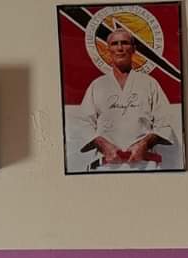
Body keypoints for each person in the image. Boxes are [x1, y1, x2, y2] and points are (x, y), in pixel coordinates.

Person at [72, 26, 176, 171]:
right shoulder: (98, 85)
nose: (120, 48)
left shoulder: (149, 83)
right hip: (106, 165)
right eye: (115, 44)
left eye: (125, 43)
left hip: (145, 165)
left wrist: (145, 143)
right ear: (108, 50)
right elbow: (83, 123)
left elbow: (165, 123)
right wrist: (103, 144)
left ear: (133, 49)